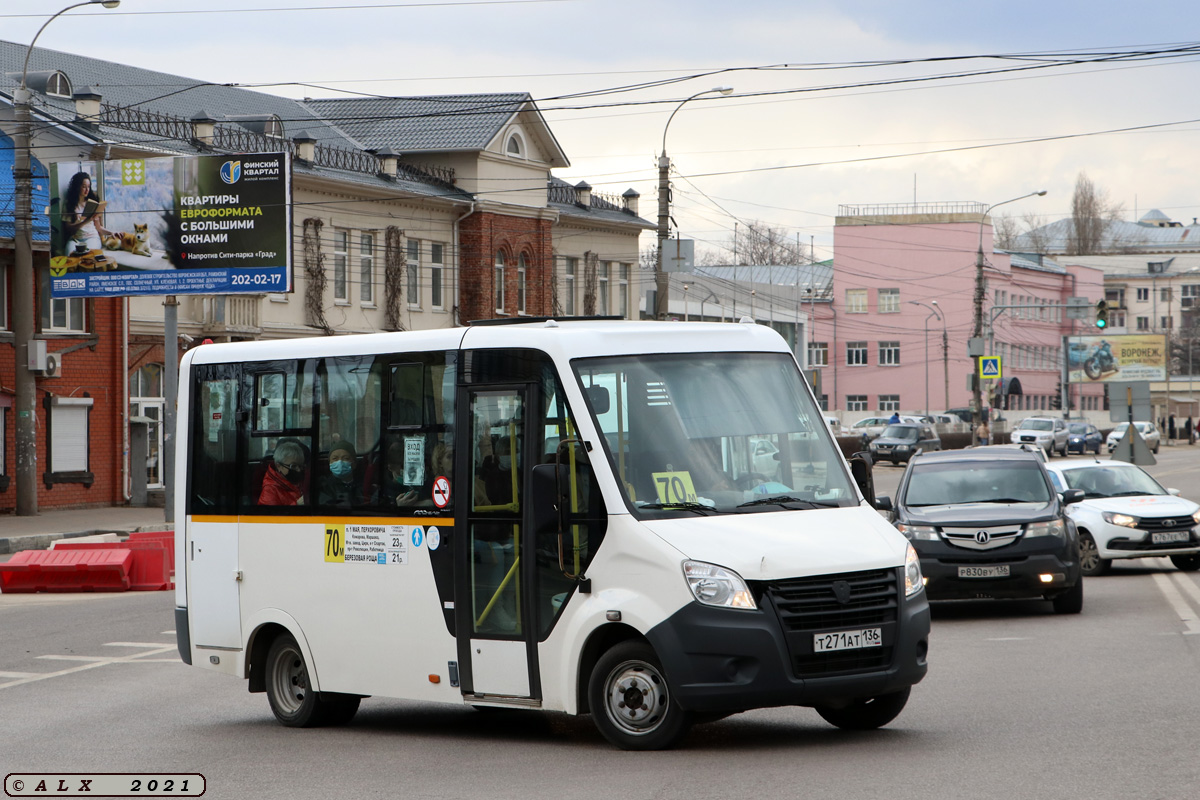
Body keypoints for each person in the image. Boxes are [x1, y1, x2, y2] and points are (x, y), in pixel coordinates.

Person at [61, 171, 112, 252]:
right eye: (84, 187)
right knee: (70, 255)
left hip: (92, 237)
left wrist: (112, 233)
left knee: (88, 255)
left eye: (89, 186)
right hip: (75, 239)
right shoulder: (69, 204)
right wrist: (86, 221)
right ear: (77, 187)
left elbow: (98, 228)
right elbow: (68, 229)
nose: (87, 190)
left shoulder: (92, 203)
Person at [257, 440, 306, 506]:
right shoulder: (270, 490)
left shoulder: (298, 481)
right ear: (279, 466)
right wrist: (296, 505)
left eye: (300, 466)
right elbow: (268, 515)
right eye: (293, 466)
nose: (298, 470)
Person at [318, 439, 365, 507]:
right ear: (329, 463)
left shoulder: (362, 484)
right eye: (335, 459)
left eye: (345, 458)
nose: (340, 462)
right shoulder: (324, 486)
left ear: (354, 463)